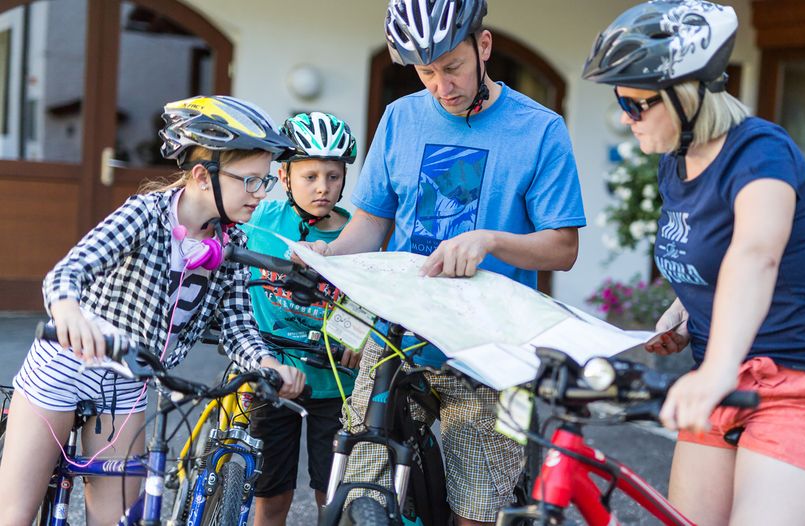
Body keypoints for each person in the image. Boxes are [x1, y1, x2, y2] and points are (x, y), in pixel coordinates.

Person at [583, 2, 805, 525]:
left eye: (635, 103)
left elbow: (756, 255)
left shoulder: (761, 154)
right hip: (723, 376)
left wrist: (716, 370)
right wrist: (685, 309)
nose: (625, 117)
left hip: (803, 385)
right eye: (620, 101)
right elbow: (713, 255)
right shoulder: (674, 164)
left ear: (687, 94)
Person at [303, 1, 586, 524]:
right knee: (361, 483)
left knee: (478, 508)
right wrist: (329, 254)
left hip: (494, 347)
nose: (441, 86)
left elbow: (563, 248)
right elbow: (372, 222)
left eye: (452, 67)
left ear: (483, 46)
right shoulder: (400, 118)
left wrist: (491, 240)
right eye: (426, 72)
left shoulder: (540, 129)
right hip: (398, 334)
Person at [0, 95, 306, 526]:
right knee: (14, 514)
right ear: (201, 176)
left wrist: (268, 364)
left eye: (265, 181)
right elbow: (69, 272)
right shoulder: (145, 214)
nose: (260, 193)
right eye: (250, 181)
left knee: (119, 520)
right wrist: (67, 311)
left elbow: (238, 326)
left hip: (128, 382)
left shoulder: (232, 242)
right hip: (66, 367)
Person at [245, 111, 361, 525]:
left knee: (331, 495)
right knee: (271, 493)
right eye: (310, 176)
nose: (323, 187)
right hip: (273, 372)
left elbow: (372, 300)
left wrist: (361, 337)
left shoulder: (356, 235)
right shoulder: (261, 220)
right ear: (285, 176)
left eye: (333, 176)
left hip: (334, 381)